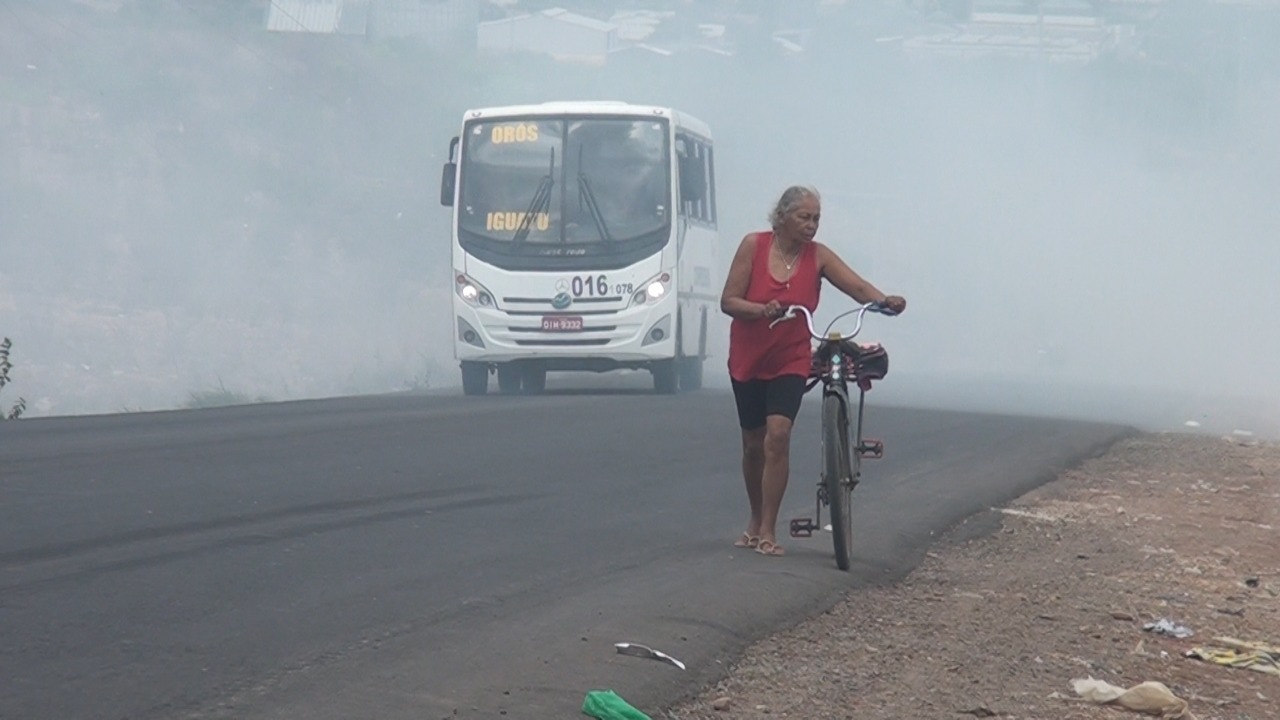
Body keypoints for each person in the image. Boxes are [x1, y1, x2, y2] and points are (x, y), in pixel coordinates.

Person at [720, 185, 907, 557]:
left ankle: (770, 529)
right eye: (804, 217)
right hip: (749, 357)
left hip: (791, 357)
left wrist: (884, 301)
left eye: (816, 218)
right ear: (782, 216)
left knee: (779, 435)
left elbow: (855, 285)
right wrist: (761, 310)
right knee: (753, 444)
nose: (811, 225)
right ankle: (755, 518)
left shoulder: (818, 256)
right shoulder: (752, 246)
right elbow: (729, 301)